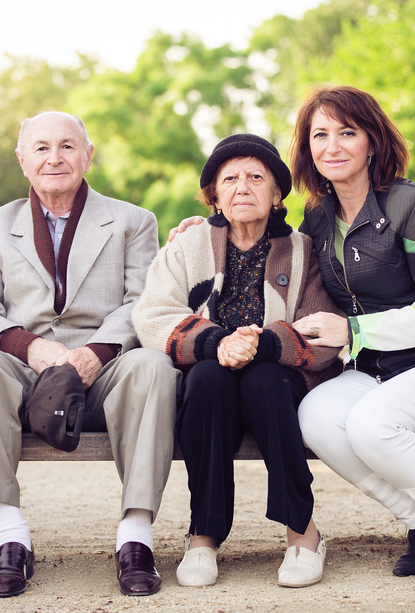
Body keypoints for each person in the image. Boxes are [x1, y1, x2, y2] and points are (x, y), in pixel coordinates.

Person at [0, 111, 180, 598]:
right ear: (22, 160)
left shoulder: (134, 222)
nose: (54, 157)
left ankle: (135, 539)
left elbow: (143, 303)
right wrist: (30, 348)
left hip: (106, 374)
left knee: (153, 366)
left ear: (88, 155)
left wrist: (97, 351)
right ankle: (11, 539)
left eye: (68, 146)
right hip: (24, 375)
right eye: (41, 147)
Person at [288, 85, 415, 583]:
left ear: (372, 142)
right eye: (320, 134)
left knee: (370, 426)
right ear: (307, 147)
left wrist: (354, 329)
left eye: (347, 132)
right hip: (376, 372)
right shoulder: (317, 217)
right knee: (315, 416)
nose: (332, 146)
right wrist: (209, 222)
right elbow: (267, 243)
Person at [132, 134, 344, 588]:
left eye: (255, 178)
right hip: (209, 382)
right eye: (229, 179)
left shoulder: (305, 250)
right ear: (214, 194)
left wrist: (264, 345)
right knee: (209, 378)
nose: (242, 187)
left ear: (276, 193)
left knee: (264, 379)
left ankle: (302, 533)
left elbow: (324, 326)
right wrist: (217, 344)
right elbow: (153, 315)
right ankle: (203, 536)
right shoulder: (186, 246)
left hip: (279, 382)